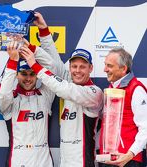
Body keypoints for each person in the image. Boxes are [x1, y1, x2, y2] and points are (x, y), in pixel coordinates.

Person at [28, 12, 103, 167]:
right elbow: (53, 61)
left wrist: (35, 66)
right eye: (74, 66)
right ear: (69, 68)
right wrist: (40, 33)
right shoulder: (69, 80)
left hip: (84, 163)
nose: (77, 70)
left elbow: (64, 89)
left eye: (83, 67)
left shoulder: (94, 93)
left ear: (91, 68)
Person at [0, 40, 56, 166]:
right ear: (16, 75)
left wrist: (32, 48)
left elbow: (51, 67)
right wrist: (13, 61)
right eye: (23, 74)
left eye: (32, 74)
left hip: (44, 162)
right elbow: (2, 94)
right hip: (18, 161)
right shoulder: (9, 100)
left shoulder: (45, 96)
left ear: (37, 75)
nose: (28, 78)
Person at [99, 48, 147, 167]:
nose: (105, 69)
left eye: (109, 66)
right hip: (108, 158)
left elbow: (145, 127)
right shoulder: (112, 88)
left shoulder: (136, 89)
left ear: (123, 68)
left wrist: (130, 154)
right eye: (105, 65)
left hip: (127, 161)